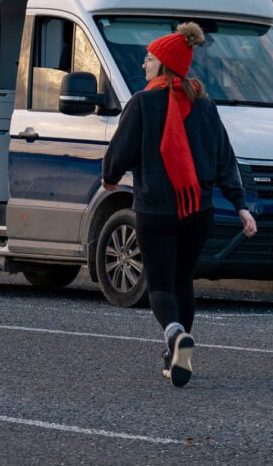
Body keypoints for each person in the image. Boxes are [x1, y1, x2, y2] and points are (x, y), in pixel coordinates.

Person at [102, 21, 257, 387]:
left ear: (163, 63)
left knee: (158, 285)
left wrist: (110, 176)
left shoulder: (142, 103)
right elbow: (225, 159)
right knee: (183, 280)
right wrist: (240, 205)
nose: (144, 65)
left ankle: (173, 334)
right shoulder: (205, 107)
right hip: (197, 211)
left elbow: (119, 153)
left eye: (148, 58)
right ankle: (177, 356)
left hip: (156, 209)